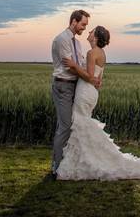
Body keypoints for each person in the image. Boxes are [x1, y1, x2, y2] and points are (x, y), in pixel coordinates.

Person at [56, 25, 140, 180]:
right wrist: (93, 80)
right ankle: (85, 159)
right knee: (82, 123)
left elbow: (89, 76)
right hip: (91, 93)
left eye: (91, 31)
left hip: (85, 91)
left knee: (80, 123)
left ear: (96, 37)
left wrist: (73, 65)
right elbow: (98, 78)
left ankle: (86, 161)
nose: (89, 32)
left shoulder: (92, 52)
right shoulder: (102, 53)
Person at [50, 9, 100, 178]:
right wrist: (90, 78)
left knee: (68, 124)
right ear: (73, 21)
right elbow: (70, 67)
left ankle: (66, 162)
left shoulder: (77, 43)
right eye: (83, 24)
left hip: (75, 86)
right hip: (63, 86)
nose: (84, 28)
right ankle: (57, 166)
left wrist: (93, 77)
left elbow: (80, 64)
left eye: (86, 25)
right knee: (65, 126)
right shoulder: (61, 40)